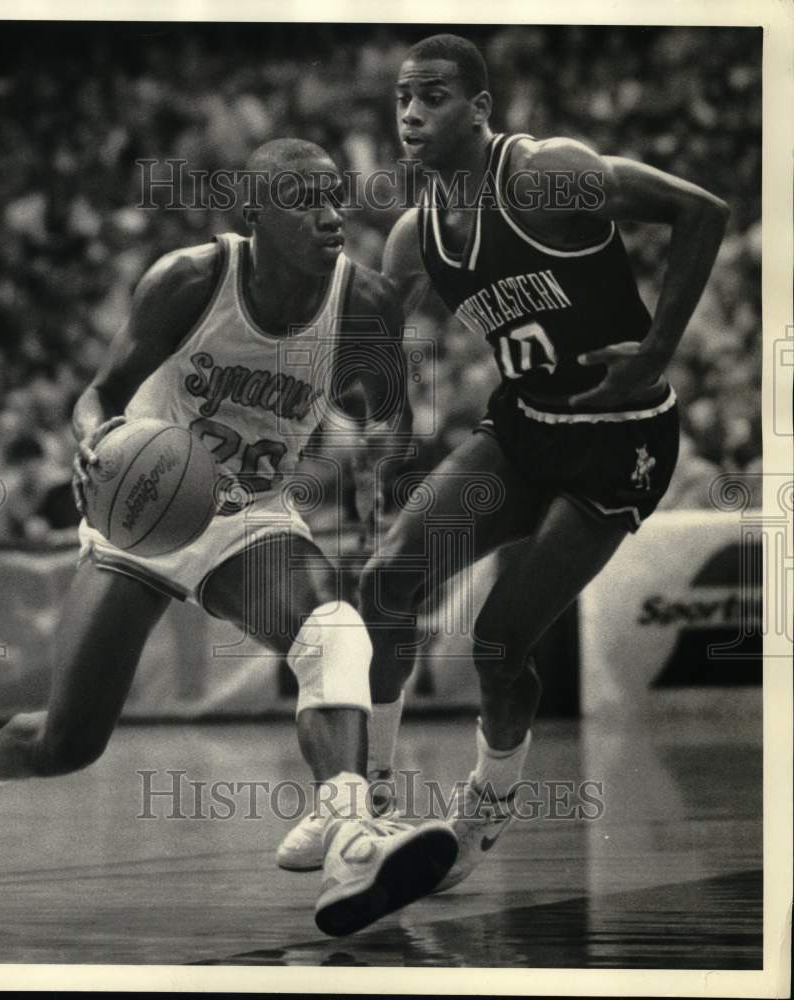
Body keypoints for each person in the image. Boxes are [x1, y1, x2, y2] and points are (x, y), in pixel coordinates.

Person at [0, 138, 458, 938]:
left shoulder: (360, 303)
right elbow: (99, 394)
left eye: (335, 197)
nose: (330, 214)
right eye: (302, 199)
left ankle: (351, 827)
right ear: (254, 212)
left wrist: (379, 478)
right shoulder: (189, 280)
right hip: (147, 510)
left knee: (332, 630)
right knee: (67, 742)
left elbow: (387, 411)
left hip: (250, 516)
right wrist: (95, 439)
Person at [280, 33, 730, 887]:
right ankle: (367, 807)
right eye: (403, 97)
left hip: (622, 435)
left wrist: (656, 349)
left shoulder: (544, 174)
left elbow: (702, 210)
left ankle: (483, 811)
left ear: (480, 108)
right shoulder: (414, 240)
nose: (411, 112)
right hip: (523, 429)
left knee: (498, 646)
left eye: (434, 95)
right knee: (385, 581)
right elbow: (367, 353)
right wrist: (381, 424)